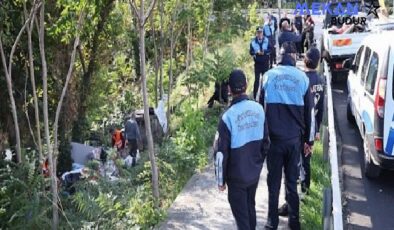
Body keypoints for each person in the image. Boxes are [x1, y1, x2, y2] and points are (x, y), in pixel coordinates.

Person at [256, 42, 315, 230]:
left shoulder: (267, 77)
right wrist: (309, 141)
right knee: (291, 181)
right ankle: (294, 222)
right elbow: (310, 115)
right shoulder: (303, 79)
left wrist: (259, 140)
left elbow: (259, 110)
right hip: (293, 142)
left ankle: (271, 222)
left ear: (279, 57)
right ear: (294, 56)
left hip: (273, 142)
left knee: (273, 183)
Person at [214, 69, 270, 230]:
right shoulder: (259, 109)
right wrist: (257, 162)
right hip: (253, 173)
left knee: (242, 218)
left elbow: (221, 154)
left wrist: (220, 180)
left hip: (236, 177)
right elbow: (266, 142)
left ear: (229, 90)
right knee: (250, 207)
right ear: (246, 85)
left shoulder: (227, 118)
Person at [278, 46, 325, 217]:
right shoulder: (320, 80)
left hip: (299, 129)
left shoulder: (301, 79)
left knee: (293, 164)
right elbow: (321, 106)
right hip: (311, 129)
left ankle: (291, 202)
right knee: (306, 161)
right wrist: (317, 130)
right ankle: (304, 192)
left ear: (305, 60)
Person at [250, 26, 270, 99]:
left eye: (261, 32)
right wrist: (256, 52)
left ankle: (266, 96)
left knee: (265, 80)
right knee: (257, 81)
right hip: (257, 64)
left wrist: (264, 52)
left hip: (265, 63)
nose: (259, 34)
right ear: (256, 33)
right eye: (258, 33)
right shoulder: (253, 42)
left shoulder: (267, 40)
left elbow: (270, 49)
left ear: (262, 33)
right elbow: (251, 52)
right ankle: (255, 97)